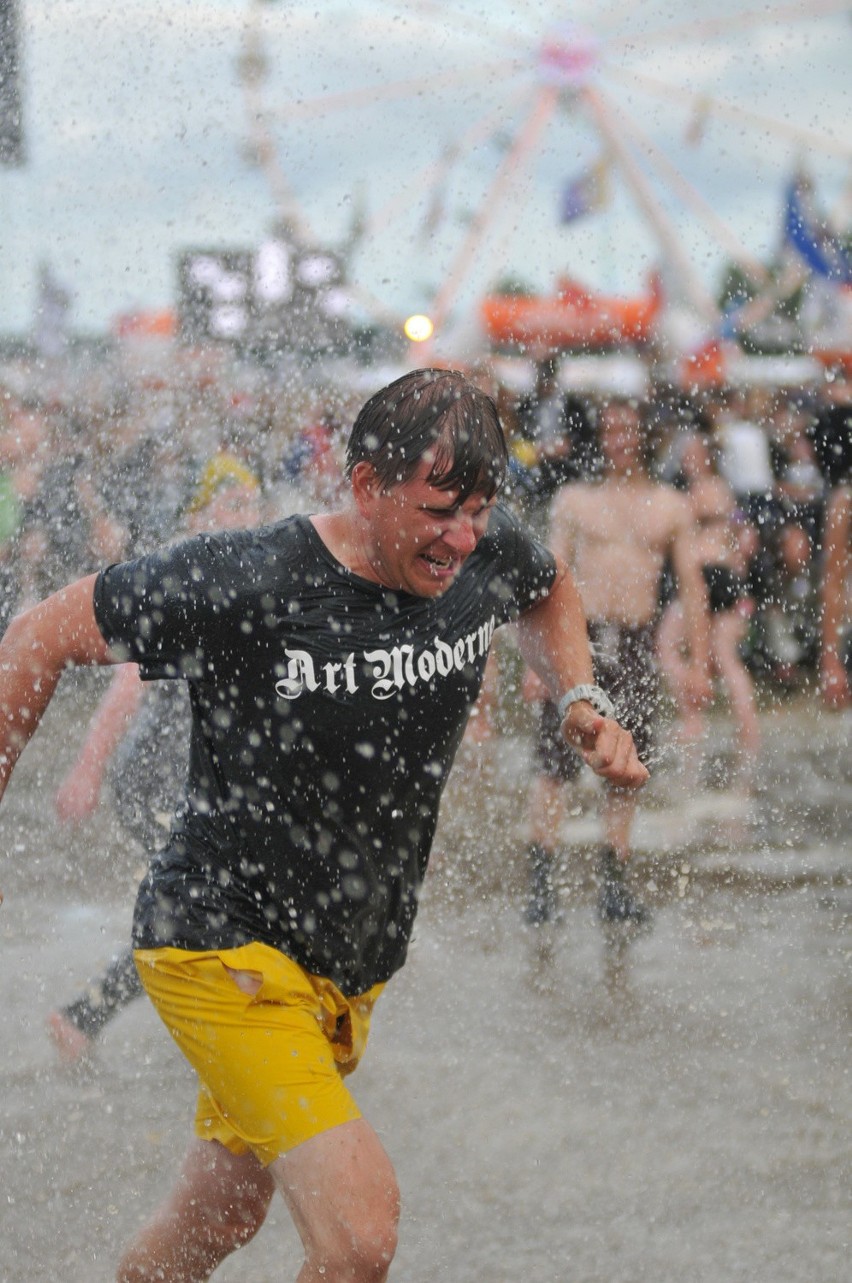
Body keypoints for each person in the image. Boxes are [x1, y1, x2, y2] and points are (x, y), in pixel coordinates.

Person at [0, 368, 647, 1283]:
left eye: (478, 509)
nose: (462, 539)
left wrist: (579, 698)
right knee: (359, 1235)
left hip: (343, 966)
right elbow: (36, 631)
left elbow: (549, 590)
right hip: (219, 942)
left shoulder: (481, 549)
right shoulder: (252, 579)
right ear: (365, 485)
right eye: (435, 512)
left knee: (215, 1219)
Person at [47, 469, 264, 1063]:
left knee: (209, 907)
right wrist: (86, 771)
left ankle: (94, 1018)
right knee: (208, 906)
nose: (244, 513)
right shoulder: (185, 582)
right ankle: (87, 1018)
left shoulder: (247, 581)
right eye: (230, 501)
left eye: (251, 501)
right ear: (198, 516)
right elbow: (126, 688)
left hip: (193, 780)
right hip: (151, 779)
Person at [523, 397, 710, 929]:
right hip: (576, 644)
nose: (618, 439)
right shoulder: (575, 500)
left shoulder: (670, 505)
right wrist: (538, 663)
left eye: (627, 429)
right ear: (598, 438)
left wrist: (699, 662)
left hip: (634, 645)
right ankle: (541, 887)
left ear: (645, 437)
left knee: (626, 769)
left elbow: (693, 587)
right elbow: (548, 579)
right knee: (552, 767)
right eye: (610, 430)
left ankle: (614, 885)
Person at [656, 428, 761, 794]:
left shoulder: (701, 491)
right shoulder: (724, 491)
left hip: (704, 575)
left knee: (668, 646)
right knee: (723, 655)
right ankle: (745, 725)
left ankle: (694, 716)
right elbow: (742, 537)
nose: (689, 460)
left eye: (694, 454)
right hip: (726, 575)